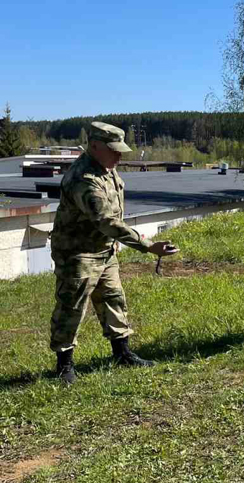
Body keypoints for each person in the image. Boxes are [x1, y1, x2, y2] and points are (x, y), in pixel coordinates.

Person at [50, 121, 179, 385]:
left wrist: (115, 243)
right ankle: (64, 366)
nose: (120, 155)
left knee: (113, 300)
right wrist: (146, 245)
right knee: (71, 308)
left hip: (104, 251)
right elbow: (106, 221)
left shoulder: (107, 170)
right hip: (78, 254)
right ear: (95, 146)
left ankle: (122, 354)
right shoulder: (83, 179)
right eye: (114, 150)